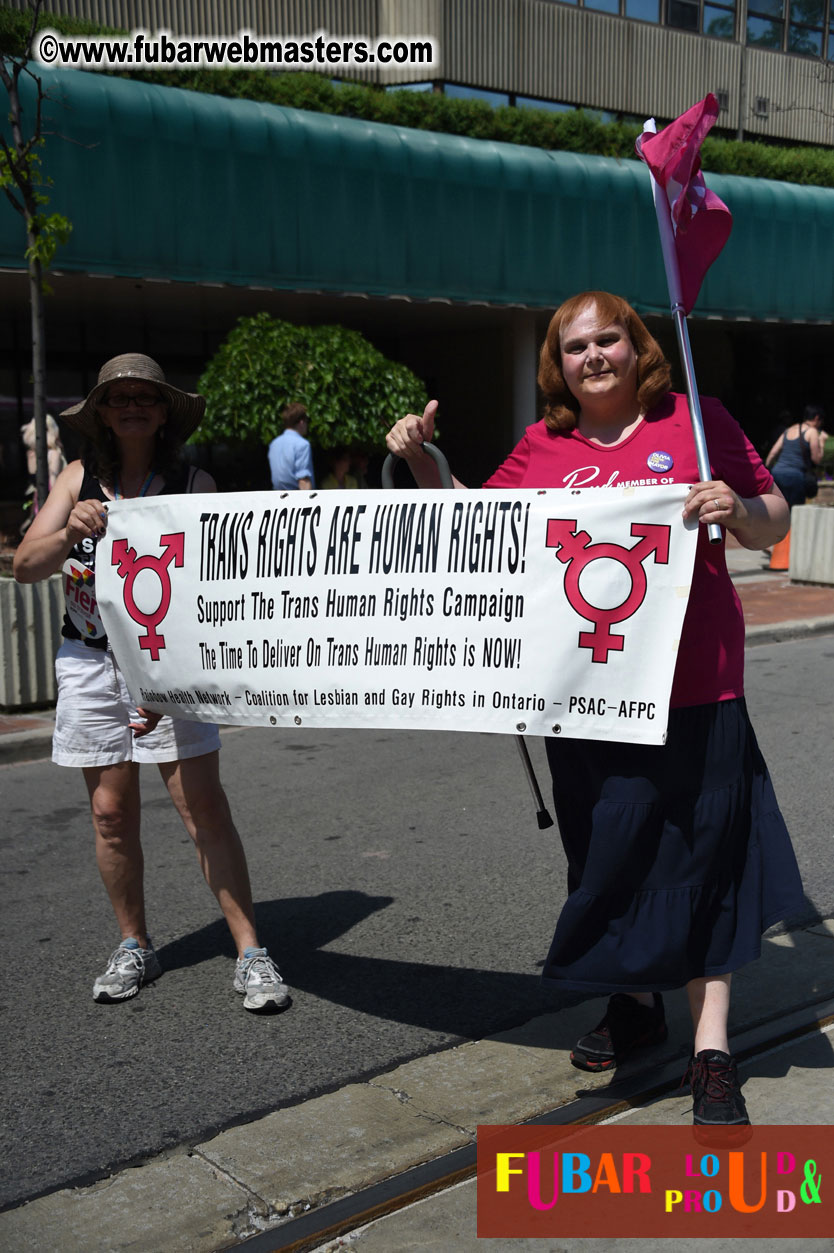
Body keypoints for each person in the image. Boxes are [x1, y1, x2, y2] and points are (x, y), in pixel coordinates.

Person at [386, 291, 804, 1128]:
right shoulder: (544, 445)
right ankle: (636, 1002)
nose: (594, 356)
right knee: (606, 856)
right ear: (559, 365)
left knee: (700, 859)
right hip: (584, 696)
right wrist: (424, 459)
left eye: (607, 339)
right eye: (575, 347)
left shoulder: (695, 418)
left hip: (695, 685)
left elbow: (772, 518)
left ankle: (712, 1049)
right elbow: (478, 525)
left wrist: (738, 507)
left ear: (638, 345)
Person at [13, 354, 290, 1013]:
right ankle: (134, 943)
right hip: (89, 664)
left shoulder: (194, 483)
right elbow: (26, 564)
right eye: (118, 398)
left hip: (169, 665)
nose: (132, 406)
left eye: (145, 396)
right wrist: (70, 527)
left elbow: (230, 573)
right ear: (102, 413)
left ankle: (251, 950)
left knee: (202, 808)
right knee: (110, 813)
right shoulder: (77, 479)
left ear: (164, 410)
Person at [765, 404, 824, 506]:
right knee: (795, 511)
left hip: (777, 474)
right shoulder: (812, 432)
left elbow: (772, 453)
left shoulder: (789, 430)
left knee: (778, 508)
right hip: (794, 477)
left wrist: (767, 470)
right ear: (816, 418)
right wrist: (822, 442)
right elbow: (816, 459)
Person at [268, 402, 315, 490]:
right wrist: (308, 502)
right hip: (296, 498)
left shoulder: (274, 444)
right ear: (301, 422)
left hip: (277, 498)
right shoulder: (302, 444)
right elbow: (303, 480)